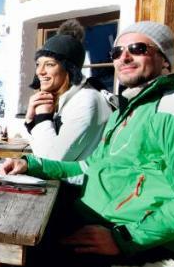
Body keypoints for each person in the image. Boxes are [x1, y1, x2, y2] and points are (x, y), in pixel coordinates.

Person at [2, 20, 174, 266]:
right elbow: (89, 167)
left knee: (13, 259)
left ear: (165, 60)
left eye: (138, 49)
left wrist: (124, 238)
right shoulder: (129, 109)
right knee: (8, 225)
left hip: (132, 240)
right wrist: (31, 164)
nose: (125, 57)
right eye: (117, 52)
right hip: (92, 218)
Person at [25, 19, 111, 162]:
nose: (40, 71)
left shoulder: (86, 101)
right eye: (38, 64)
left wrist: (42, 118)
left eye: (50, 64)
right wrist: (31, 120)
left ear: (69, 69)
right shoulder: (68, 98)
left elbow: (51, 162)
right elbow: (42, 152)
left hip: (80, 183)